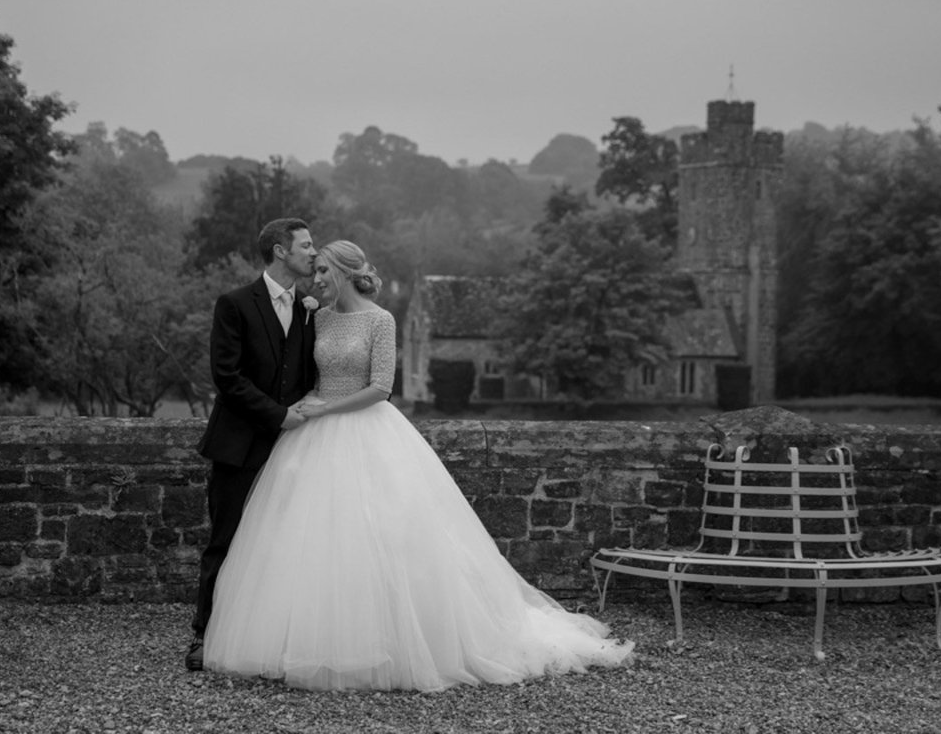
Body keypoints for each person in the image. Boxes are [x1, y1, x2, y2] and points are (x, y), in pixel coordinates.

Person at [202, 240, 633, 691]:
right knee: (312, 537)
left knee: (385, 536)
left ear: (347, 273)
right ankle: (304, 640)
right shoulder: (317, 317)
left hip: (364, 428)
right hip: (312, 436)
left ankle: (395, 643)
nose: (318, 278)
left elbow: (380, 388)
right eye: (318, 270)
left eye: (326, 270)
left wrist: (326, 409)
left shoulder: (381, 320)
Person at [185, 218, 319, 672]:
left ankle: (268, 638)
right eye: (305, 245)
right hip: (239, 443)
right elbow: (227, 377)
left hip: (293, 448)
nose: (312, 253)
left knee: (283, 544)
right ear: (280, 251)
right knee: (224, 541)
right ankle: (205, 636)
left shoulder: (308, 309)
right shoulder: (236, 304)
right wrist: (278, 414)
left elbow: (306, 376)